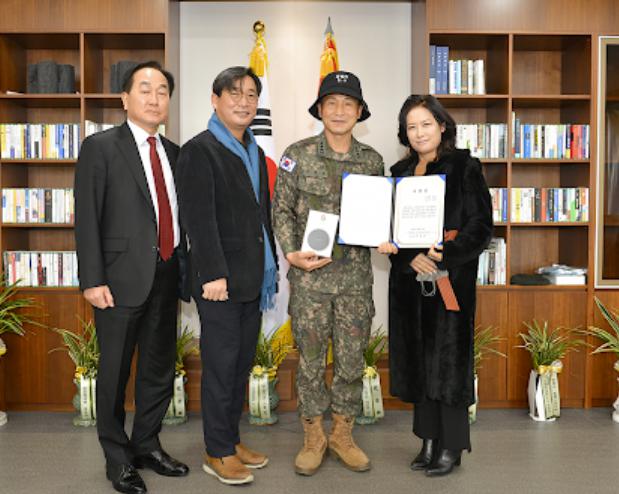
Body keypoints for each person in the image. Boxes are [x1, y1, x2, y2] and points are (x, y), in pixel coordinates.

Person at [74, 61, 189, 494]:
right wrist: (92, 279)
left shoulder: (175, 153)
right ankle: (117, 459)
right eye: (145, 89)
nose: (154, 98)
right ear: (125, 99)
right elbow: (87, 217)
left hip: (167, 273)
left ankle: (147, 445)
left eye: (162, 91)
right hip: (118, 280)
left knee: (158, 369)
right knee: (115, 372)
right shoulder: (101, 147)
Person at [272, 71, 389, 476]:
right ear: (320, 110)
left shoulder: (372, 161)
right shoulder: (297, 154)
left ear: (359, 111)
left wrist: (387, 235)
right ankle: (313, 436)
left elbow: (381, 213)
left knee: (352, 359)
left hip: (355, 281)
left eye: (348, 104)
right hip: (310, 281)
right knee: (309, 360)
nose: (339, 111)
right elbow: (281, 209)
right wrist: (290, 252)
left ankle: (342, 433)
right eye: (332, 103)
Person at [175, 66, 277, 486]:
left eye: (251, 95)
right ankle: (216, 451)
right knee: (220, 367)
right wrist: (213, 274)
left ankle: (231, 440)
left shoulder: (254, 151)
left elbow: (260, 216)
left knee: (239, 365)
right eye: (234, 93)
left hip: (251, 277)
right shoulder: (199, 150)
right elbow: (197, 219)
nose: (244, 101)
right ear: (215, 100)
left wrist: (270, 266)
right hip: (219, 283)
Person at [382, 94, 492, 477]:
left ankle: (452, 446)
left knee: (448, 364)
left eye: (426, 124)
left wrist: (445, 253)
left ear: (442, 126)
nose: (419, 132)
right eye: (411, 126)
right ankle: (427, 439)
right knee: (418, 363)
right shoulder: (398, 172)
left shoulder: (464, 166)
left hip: (449, 282)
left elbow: (481, 226)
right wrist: (405, 256)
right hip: (409, 285)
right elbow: (391, 230)